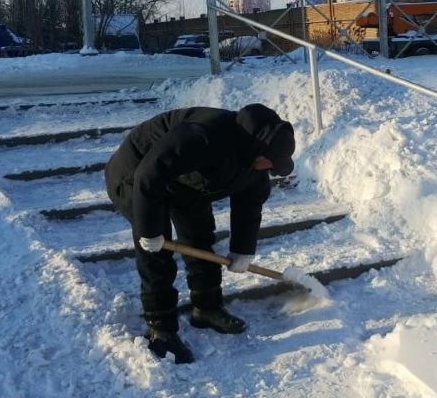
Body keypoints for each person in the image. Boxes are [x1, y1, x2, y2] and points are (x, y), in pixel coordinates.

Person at [104, 103, 296, 364]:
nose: (269, 170)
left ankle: (206, 308)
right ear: (257, 150)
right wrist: (149, 230)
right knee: (157, 250)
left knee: (200, 236)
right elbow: (149, 174)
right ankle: (160, 327)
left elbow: (249, 206)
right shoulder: (204, 135)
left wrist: (242, 250)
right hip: (136, 174)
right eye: (270, 163)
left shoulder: (255, 165)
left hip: (186, 179)